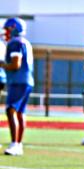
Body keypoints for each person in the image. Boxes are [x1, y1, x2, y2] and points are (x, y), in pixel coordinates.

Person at [0, 17, 34, 156]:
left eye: (8, 29)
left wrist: (2, 64)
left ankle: (15, 144)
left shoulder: (15, 42)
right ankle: (18, 144)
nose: (6, 32)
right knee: (20, 112)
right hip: (26, 81)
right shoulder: (24, 42)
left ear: (14, 28)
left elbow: (15, 64)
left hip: (19, 81)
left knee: (10, 110)